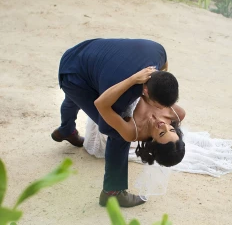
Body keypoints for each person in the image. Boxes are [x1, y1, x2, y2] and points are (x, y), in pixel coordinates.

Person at [51, 38, 181, 207]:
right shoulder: (124, 97)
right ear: (146, 91)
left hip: (80, 52)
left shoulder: (158, 52)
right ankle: (113, 193)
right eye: (158, 105)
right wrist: (133, 81)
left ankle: (66, 130)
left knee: (80, 96)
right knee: (118, 135)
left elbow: (164, 68)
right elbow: (106, 125)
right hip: (73, 75)